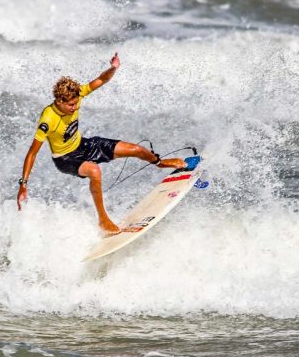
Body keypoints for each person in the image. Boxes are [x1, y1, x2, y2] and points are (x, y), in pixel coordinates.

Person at [16, 53, 186, 234]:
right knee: (94, 171)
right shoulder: (47, 119)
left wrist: (113, 68)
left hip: (84, 145)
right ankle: (103, 220)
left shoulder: (78, 93)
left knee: (137, 149)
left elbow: (101, 79)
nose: (75, 107)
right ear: (60, 101)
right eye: (71, 105)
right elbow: (32, 153)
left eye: (76, 103)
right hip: (65, 158)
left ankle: (160, 163)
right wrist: (23, 184)